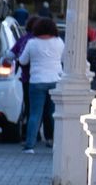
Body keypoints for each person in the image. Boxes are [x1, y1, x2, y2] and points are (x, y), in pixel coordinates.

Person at [16, 18, 64, 154]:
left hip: (36, 80)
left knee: (34, 114)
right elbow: (65, 59)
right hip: (55, 80)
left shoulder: (32, 43)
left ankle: (30, 145)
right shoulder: (59, 42)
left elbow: (23, 61)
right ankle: (55, 142)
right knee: (53, 113)